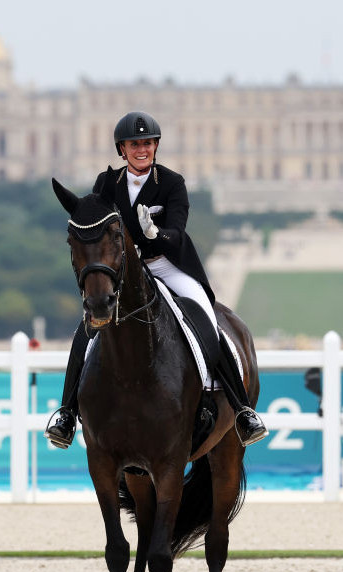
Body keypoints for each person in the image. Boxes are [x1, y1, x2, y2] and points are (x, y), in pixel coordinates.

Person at [45, 111, 268, 449]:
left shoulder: (172, 183)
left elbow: (177, 235)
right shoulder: (107, 185)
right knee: (88, 329)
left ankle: (241, 409)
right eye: (135, 144)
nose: (142, 149)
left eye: (147, 143)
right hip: (123, 271)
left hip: (167, 264)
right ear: (123, 149)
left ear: (155, 147)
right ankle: (67, 412)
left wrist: (155, 232)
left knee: (207, 319)